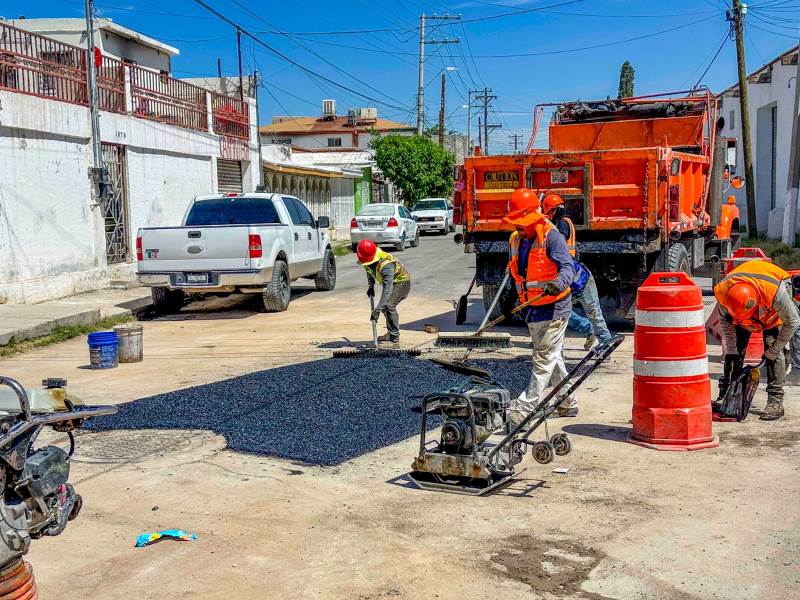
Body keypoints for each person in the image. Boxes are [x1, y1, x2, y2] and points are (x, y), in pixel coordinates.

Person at [504, 188, 577, 420]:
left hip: (556, 306)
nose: (518, 227)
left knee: (543, 358)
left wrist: (558, 283)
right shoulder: (516, 239)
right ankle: (567, 402)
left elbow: (568, 267)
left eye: (521, 222)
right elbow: (518, 273)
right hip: (533, 308)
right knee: (551, 358)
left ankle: (524, 408)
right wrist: (512, 299)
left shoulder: (552, 236)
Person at [714, 260, 800, 420]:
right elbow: (726, 323)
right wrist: (731, 349)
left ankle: (775, 401)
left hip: (772, 296)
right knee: (735, 351)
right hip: (742, 307)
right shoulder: (724, 295)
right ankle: (728, 394)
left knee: (772, 343)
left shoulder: (776, 294)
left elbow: (793, 322)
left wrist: (773, 350)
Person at [542, 194, 613, 350]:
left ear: (553, 211)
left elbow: (559, 240)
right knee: (561, 310)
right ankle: (588, 329)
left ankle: (606, 343)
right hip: (570, 279)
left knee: (594, 312)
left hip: (581, 279)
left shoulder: (562, 224)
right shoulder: (561, 223)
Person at [356, 239, 411, 348]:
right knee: (385, 306)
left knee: (388, 305)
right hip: (392, 284)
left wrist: (377, 310)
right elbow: (369, 271)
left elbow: (387, 290)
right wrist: (370, 286)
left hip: (401, 283)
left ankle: (394, 340)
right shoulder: (367, 257)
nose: (366, 264)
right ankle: (391, 333)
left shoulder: (386, 264)